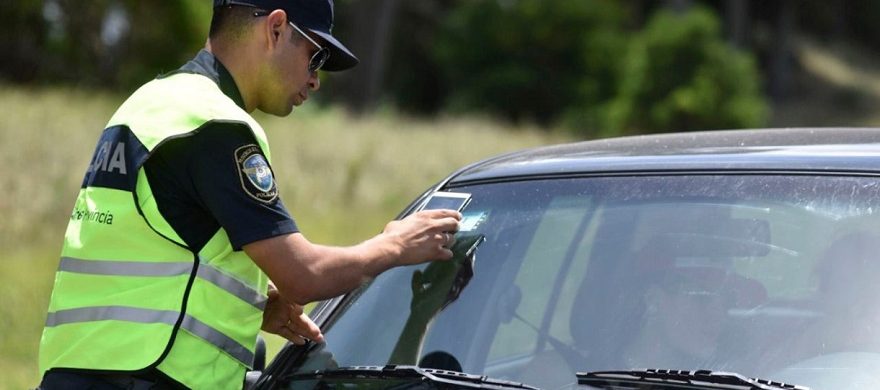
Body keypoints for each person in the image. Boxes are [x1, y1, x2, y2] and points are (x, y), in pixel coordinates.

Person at [37, 1, 461, 389]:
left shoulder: (147, 104)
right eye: (315, 56)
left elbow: (151, 255)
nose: (316, 80)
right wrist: (393, 245)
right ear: (276, 29)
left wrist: (253, 306)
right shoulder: (214, 124)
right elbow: (304, 275)